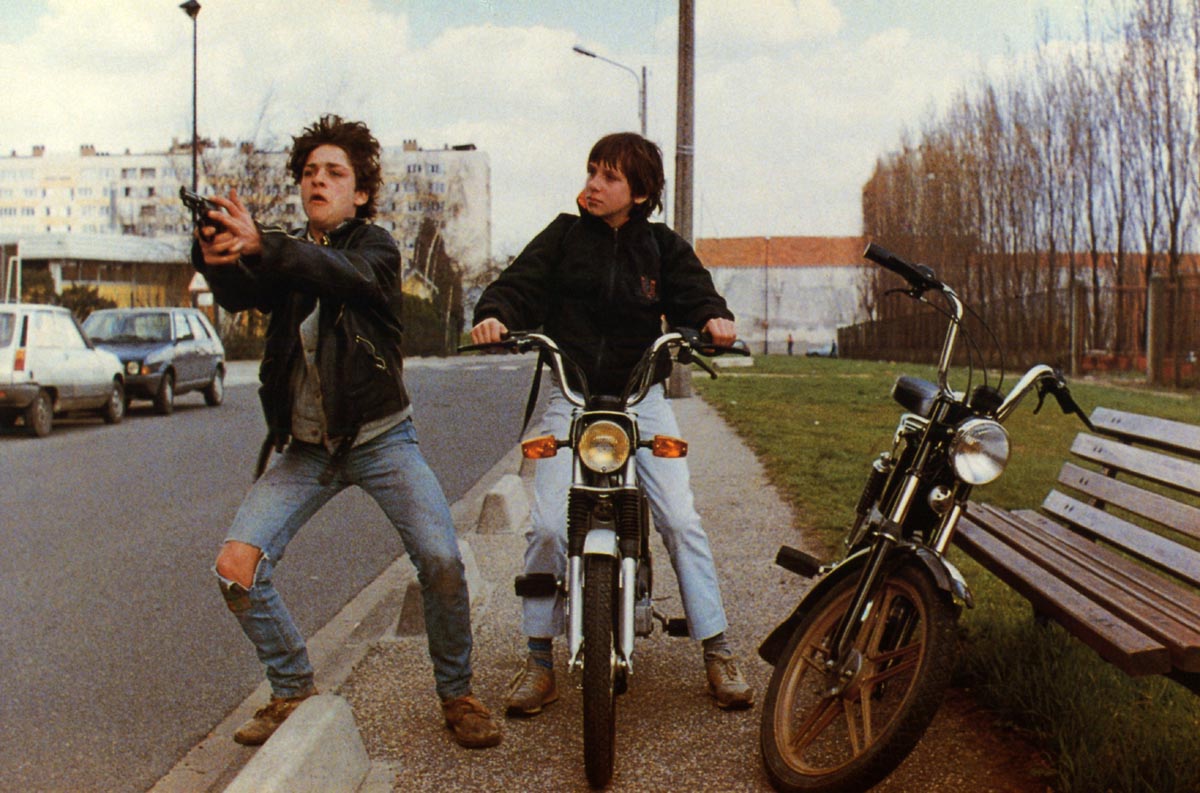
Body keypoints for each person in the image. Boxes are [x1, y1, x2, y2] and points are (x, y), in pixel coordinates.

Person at [191, 114, 500, 749]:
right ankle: (291, 689)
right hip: (308, 451)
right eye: (309, 172)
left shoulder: (376, 250)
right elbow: (243, 290)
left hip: (382, 440)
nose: (318, 181)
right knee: (235, 569)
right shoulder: (286, 255)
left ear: (359, 193)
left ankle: (459, 693)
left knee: (441, 561)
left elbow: (341, 274)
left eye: (334, 173)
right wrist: (216, 254)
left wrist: (265, 245)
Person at [470, 131, 754, 717]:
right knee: (547, 527)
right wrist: (496, 315)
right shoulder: (562, 236)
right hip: (572, 399)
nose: (593, 185)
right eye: (591, 171)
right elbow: (517, 286)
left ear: (640, 193)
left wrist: (714, 319)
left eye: (609, 176)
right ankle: (539, 658)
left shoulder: (662, 247)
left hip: (641, 399)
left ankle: (718, 650)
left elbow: (696, 294)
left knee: (680, 519)